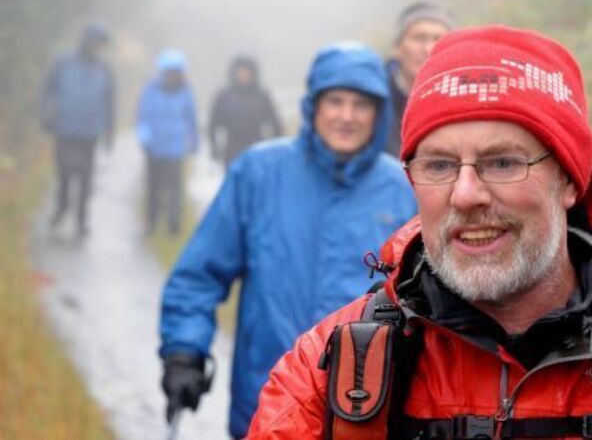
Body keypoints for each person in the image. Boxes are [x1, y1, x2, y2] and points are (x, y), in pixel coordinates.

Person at [246, 26, 592, 439]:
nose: (465, 194)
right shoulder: (330, 369)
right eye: (439, 164)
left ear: (569, 181)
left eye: (502, 162)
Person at [158, 42, 417, 439]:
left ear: (379, 113)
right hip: (265, 405)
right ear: (313, 106)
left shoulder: (404, 190)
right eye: (335, 101)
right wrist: (184, 350)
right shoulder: (258, 174)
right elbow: (200, 274)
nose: (347, 116)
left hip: (367, 413)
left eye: (361, 104)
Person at [41, 23, 115, 236]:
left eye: (101, 44)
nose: (98, 47)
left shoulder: (104, 69)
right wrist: (47, 115)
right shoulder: (63, 62)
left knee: (86, 178)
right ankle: (62, 207)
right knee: (63, 172)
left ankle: (82, 219)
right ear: (85, 40)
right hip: (64, 128)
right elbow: (49, 90)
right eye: (95, 42)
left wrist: (109, 130)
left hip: (90, 133)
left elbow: (110, 101)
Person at [136, 49, 198, 236]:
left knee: (175, 189)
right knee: (153, 187)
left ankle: (174, 225)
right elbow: (143, 115)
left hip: (175, 149)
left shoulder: (186, 92)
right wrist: (144, 135)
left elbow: (191, 120)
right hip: (153, 147)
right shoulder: (151, 90)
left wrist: (194, 142)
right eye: (168, 71)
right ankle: (151, 222)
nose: (172, 75)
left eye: (175, 71)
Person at [384, 1, 454, 156]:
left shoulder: (462, 101)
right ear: (397, 48)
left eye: (438, 39)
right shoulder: (374, 98)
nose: (428, 49)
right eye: (419, 38)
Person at [208, 55, 284, 167]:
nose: (243, 75)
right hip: (232, 149)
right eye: (240, 71)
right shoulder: (224, 96)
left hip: (257, 147)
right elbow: (213, 124)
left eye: (247, 71)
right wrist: (214, 148)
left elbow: (275, 123)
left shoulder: (261, 95)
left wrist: (276, 148)